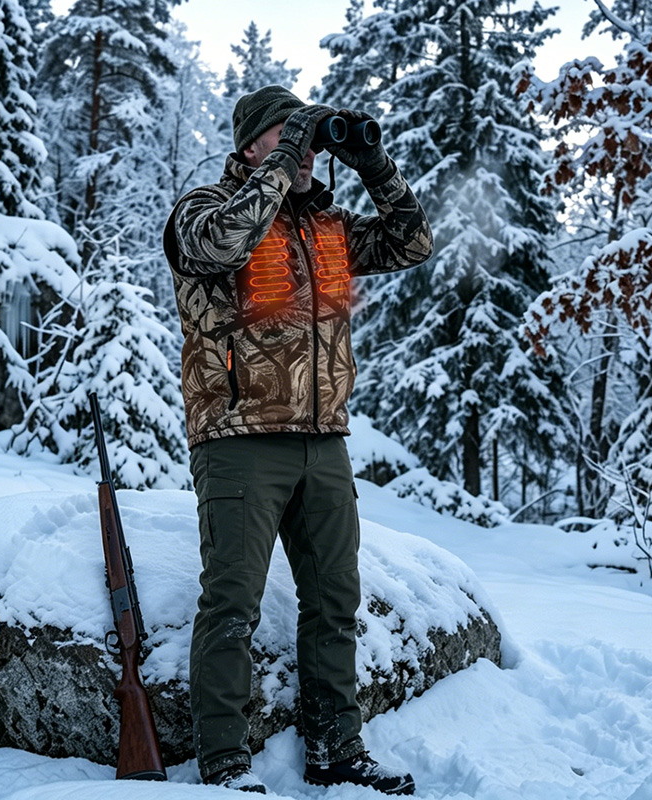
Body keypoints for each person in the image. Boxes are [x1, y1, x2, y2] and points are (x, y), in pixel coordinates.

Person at [162, 84, 433, 795]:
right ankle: (224, 761)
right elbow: (226, 241)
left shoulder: (330, 228)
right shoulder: (199, 214)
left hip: (325, 439)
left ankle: (336, 750)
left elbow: (412, 240)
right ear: (251, 144)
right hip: (239, 439)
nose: (306, 151)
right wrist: (285, 159)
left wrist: (374, 165)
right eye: (286, 135)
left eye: (309, 140)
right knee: (232, 604)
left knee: (336, 602)